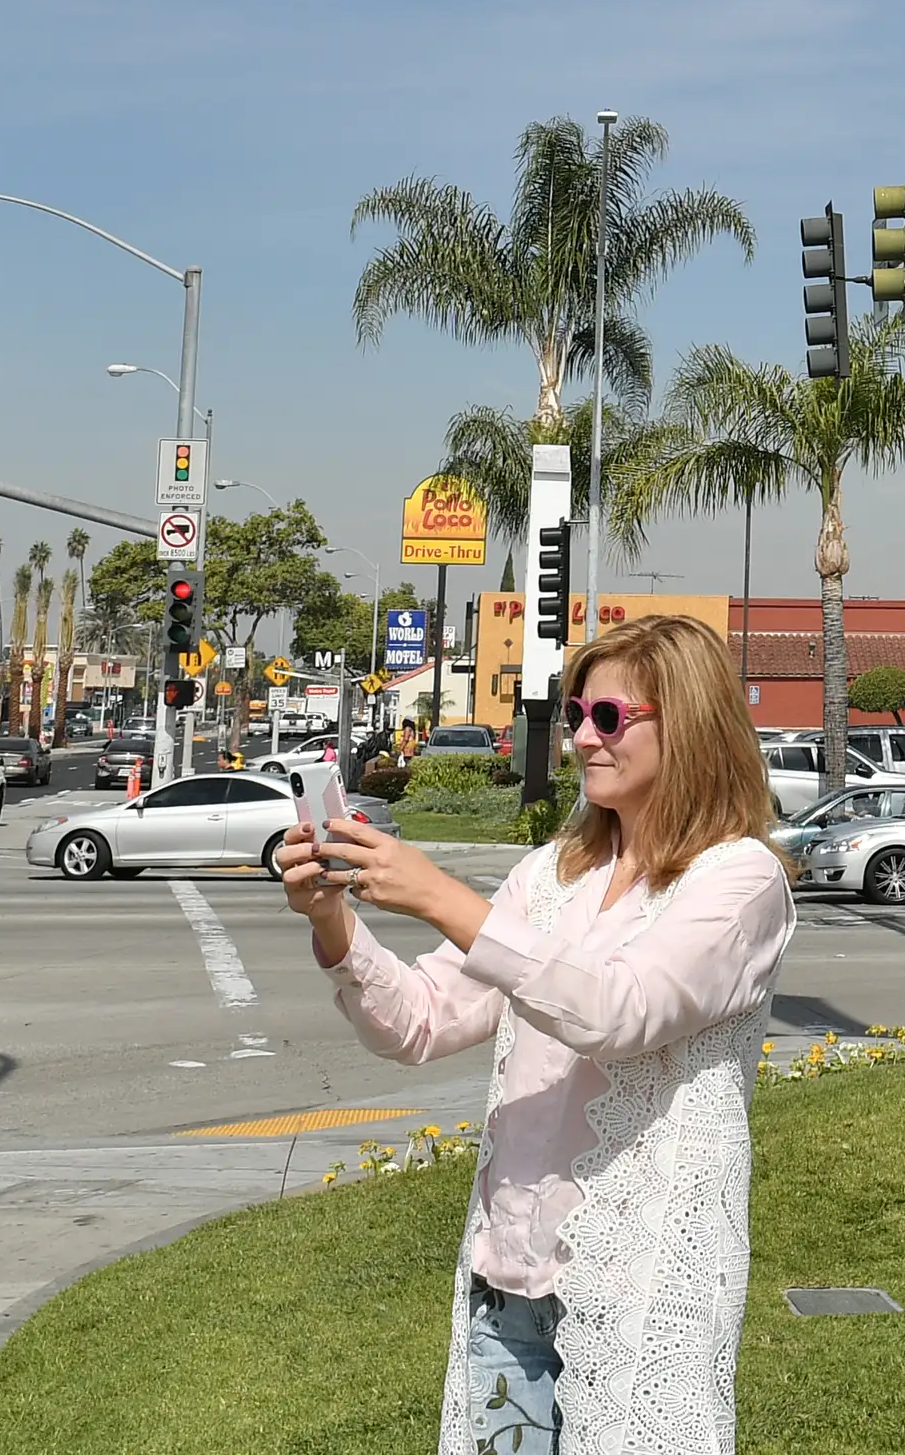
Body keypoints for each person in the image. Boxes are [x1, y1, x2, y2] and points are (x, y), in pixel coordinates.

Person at [281, 613, 792, 1454]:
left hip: (639, 1283)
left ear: (692, 727)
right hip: (505, 1279)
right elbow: (419, 1021)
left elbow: (617, 1011)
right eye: (577, 715)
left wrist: (440, 895)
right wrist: (334, 919)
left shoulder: (739, 880)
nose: (584, 739)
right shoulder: (552, 874)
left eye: (610, 718)